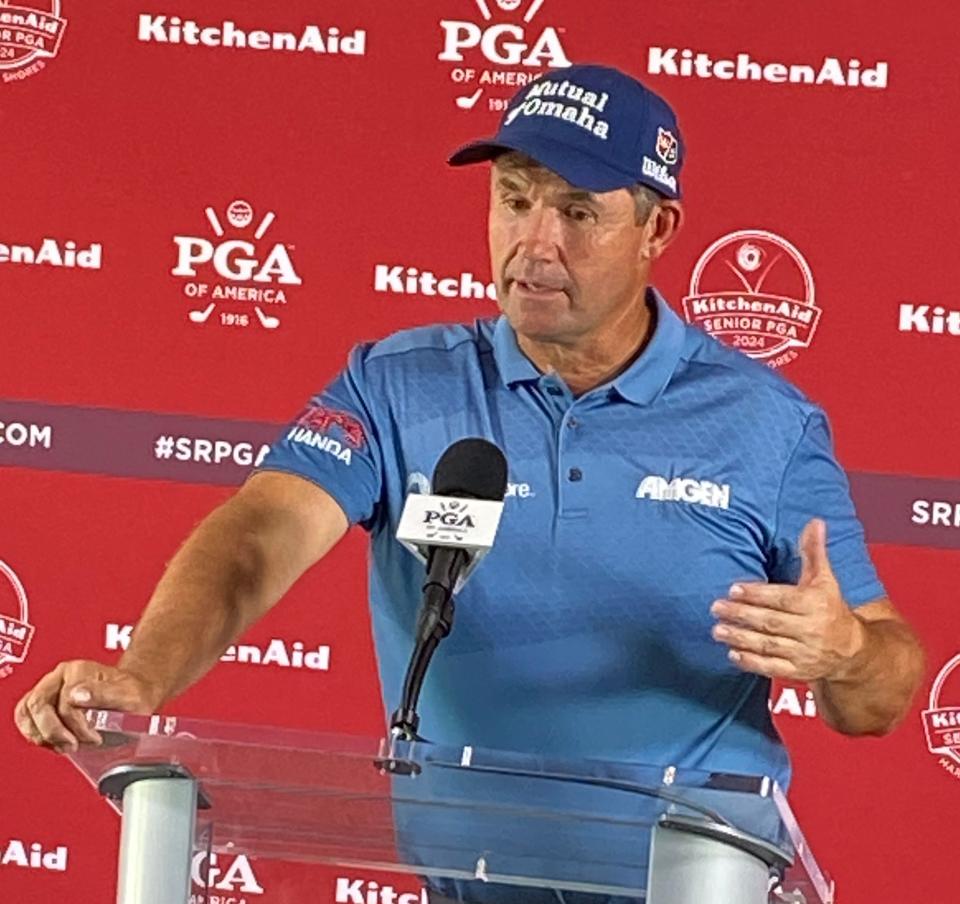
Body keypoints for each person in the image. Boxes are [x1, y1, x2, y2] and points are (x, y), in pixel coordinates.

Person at [16, 60, 922, 844]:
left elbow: (879, 690)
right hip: (466, 879)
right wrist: (143, 675)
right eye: (515, 199)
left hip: (693, 878)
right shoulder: (397, 383)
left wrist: (841, 652)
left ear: (658, 232)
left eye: (578, 211)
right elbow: (259, 537)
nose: (536, 243)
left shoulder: (767, 422)